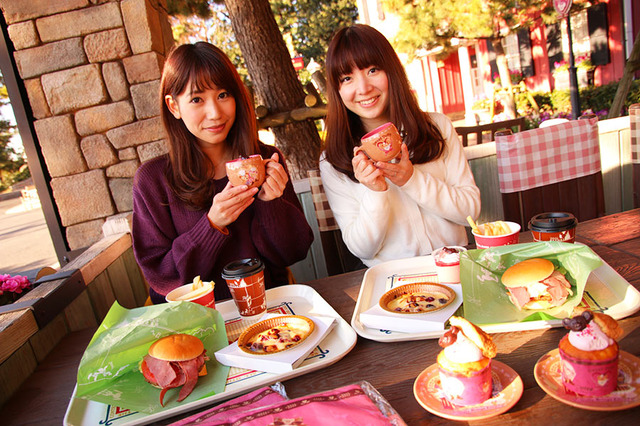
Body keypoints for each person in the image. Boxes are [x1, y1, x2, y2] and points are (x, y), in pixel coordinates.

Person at [132, 42, 314, 304]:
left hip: (268, 310)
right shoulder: (153, 180)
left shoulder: (265, 160)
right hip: (195, 321)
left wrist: (271, 204)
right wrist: (212, 224)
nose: (215, 113)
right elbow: (163, 276)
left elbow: (293, 252)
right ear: (173, 106)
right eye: (197, 99)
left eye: (223, 95)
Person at [320, 24, 481, 267]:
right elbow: (361, 249)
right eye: (347, 78)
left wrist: (411, 180)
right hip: (394, 284)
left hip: (455, 268)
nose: (363, 88)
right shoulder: (334, 160)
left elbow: (471, 210)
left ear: (391, 70)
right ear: (337, 89)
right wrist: (375, 193)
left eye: (372, 70)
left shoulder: (437, 127)